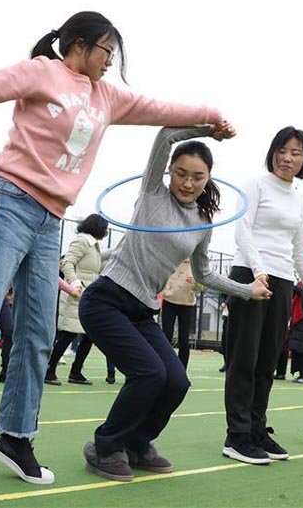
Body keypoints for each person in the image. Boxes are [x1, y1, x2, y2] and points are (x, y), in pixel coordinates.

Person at [0, 11, 232, 505]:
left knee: (37, 331)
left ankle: (15, 436)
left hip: (52, 218)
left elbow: (159, 108)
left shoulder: (106, 97)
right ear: (80, 45)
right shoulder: (42, 72)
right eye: (107, 51)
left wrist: (210, 117)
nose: (110, 62)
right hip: (10, 200)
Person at [79, 128, 271, 482]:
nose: (187, 183)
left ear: (208, 178)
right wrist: (205, 128)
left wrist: (247, 290)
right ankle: (105, 446)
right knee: (149, 374)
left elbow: (204, 274)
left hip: (142, 309)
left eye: (197, 177)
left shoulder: (202, 222)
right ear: (168, 172)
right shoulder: (152, 193)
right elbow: (166, 135)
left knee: (176, 381)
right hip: (106, 299)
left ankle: (137, 442)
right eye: (181, 174)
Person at [222, 126, 303, 464]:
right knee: (244, 358)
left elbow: (298, 249)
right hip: (251, 277)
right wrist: (257, 269)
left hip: (282, 282)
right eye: (283, 150)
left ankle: (256, 429)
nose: (288, 158)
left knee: (268, 360)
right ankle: (236, 436)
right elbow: (243, 229)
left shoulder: (298, 199)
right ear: (273, 152)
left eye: (296, 153)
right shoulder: (255, 184)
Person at [46, 214, 109, 386]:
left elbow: (98, 265)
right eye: (104, 228)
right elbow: (67, 263)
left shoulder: (93, 245)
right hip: (75, 294)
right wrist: (74, 283)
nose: (105, 232)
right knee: (68, 334)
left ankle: (76, 371)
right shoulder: (82, 241)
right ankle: (49, 369)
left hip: (88, 297)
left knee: (90, 336)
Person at [160, 258, 198, 370]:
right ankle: (164, 369)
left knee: (184, 340)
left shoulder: (195, 262)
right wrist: (165, 291)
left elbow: (203, 284)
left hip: (187, 304)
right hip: (169, 301)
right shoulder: (172, 257)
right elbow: (162, 275)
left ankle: (182, 372)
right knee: (166, 337)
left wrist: (195, 283)